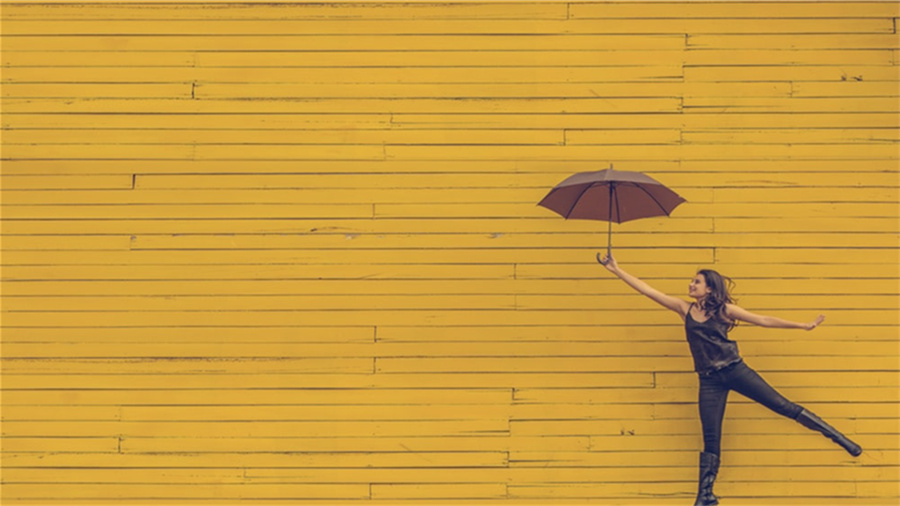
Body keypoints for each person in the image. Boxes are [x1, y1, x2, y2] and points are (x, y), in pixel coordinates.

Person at [596, 253, 862, 506]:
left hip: (735, 370)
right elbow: (648, 290)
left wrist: (802, 325)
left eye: (696, 281)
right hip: (709, 380)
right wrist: (616, 269)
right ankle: (706, 496)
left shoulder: (725, 310)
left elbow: (762, 320)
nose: (691, 284)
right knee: (711, 437)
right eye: (692, 281)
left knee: (783, 406)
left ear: (710, 288)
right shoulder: (684, 308)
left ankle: (839, 438)